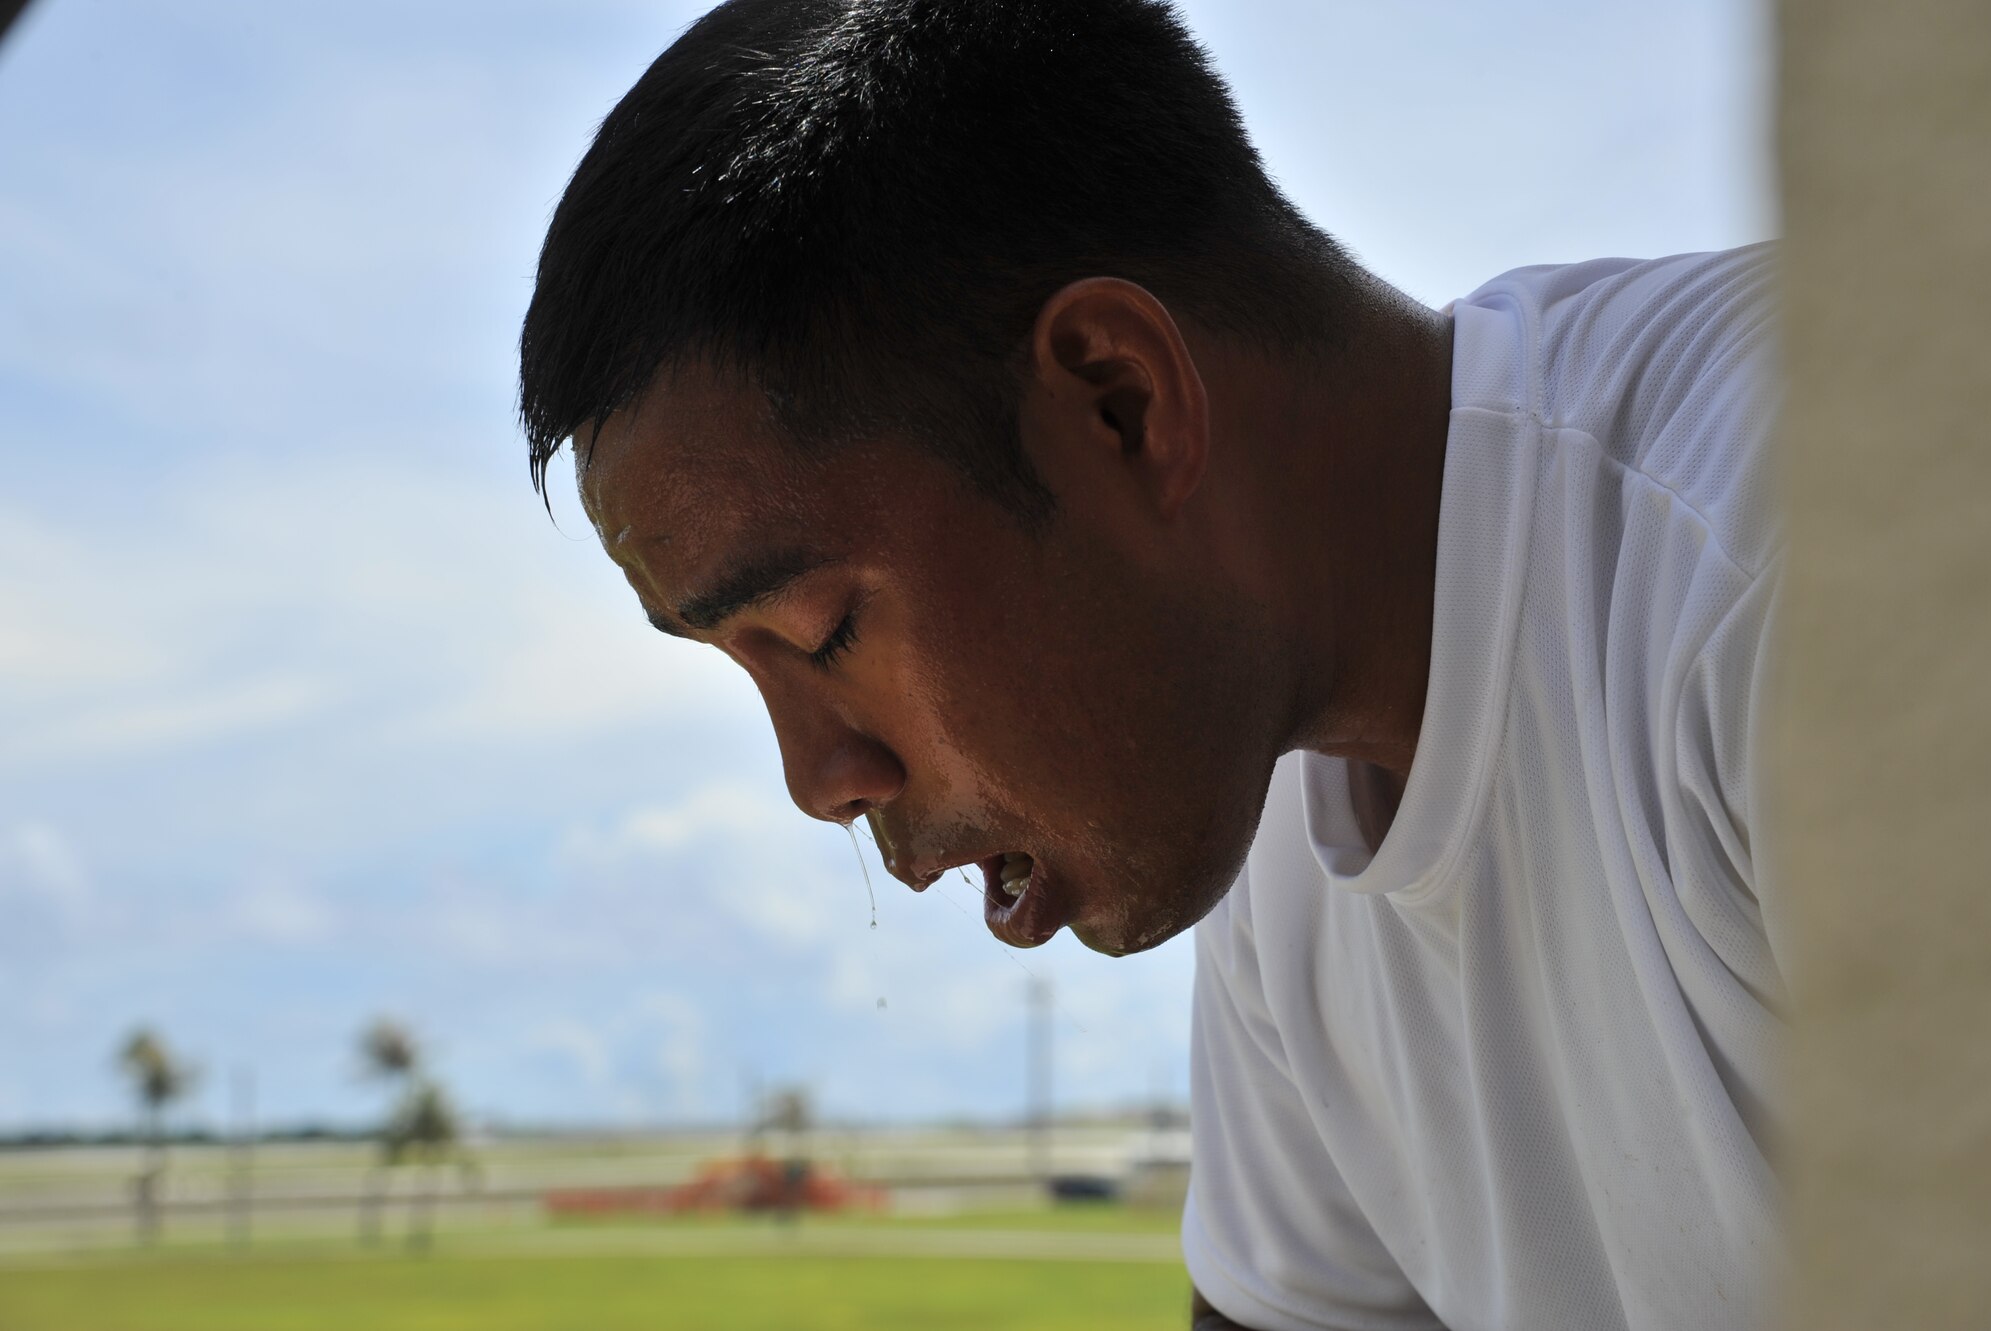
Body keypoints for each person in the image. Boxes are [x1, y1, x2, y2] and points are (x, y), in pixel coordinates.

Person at [516, 2, 1783, 1327]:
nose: (821, 782)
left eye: (823, 634)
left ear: (1118, 401)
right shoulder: (1270, 796)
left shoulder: (1793, 550)